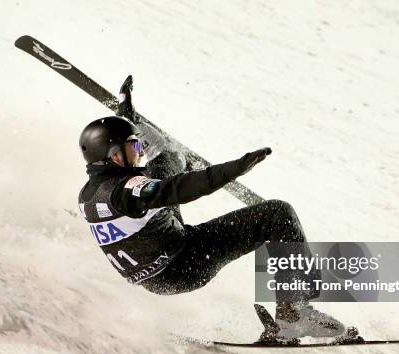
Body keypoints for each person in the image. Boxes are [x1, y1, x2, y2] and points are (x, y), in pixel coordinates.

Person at [77, 75, 345, 338]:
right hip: (184, 263)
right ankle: (294, 313)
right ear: (110, 156)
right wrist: (232, 170)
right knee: (277, 214)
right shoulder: (128, 190)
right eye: (131, 147)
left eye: (137, 145)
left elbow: (143, 188)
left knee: (164, 159)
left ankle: (174, 157)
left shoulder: (90, 193)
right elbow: (179, 189)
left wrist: (126, 118)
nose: (138, 153)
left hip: (157, 264)